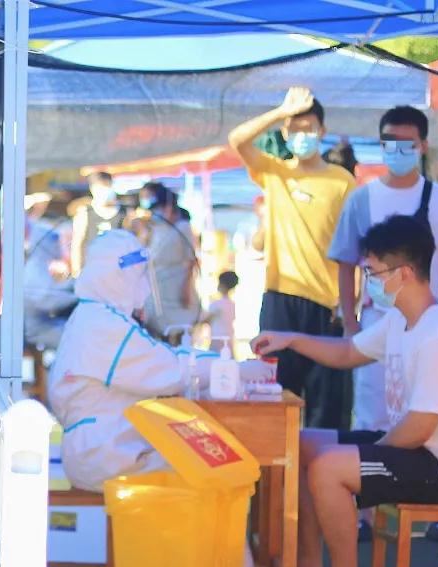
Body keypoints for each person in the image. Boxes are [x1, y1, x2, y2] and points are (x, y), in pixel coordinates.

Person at [250, 215, 438, 567]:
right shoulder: (400, 319)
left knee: (329, 466)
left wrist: (365, 456)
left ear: (404, 273)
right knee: (300, 445)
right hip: (416, 448)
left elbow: (421, 427)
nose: (368, 283)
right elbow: (348, 352)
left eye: (372, 273)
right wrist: (291, 339)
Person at [49, 230, 272, 492]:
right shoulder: (104, 324)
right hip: (108, 453)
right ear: (117, 278)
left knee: (211, 460)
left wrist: (227, 367)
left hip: (103, 445)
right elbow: (171, 371)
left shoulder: (94, 315)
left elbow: (162, 362)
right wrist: (234, 369)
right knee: (216, 467)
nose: (143, 285)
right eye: (137, 276)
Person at [329, 105, 438, 434]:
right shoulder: (361, 199)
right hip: (377, 321)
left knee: (425, 414)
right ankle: (369, 465)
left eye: (407, 143)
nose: (398, 150)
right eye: (390, 142)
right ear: (380, 144)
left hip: (427, 324)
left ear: (423, 146)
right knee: (372, 416)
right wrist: (350, 323)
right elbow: (346, 264)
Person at [229, 86, 357, 429]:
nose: (302, 136)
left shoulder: (342, 182)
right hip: (280, 303)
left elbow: (353, 247)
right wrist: (280, 111)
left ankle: (324, 466)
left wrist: (350, 305)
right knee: (273, 403)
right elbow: (237, 140)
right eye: (294, 129)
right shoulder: (274, 172)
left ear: (322, 131)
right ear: (284, 133)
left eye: (309, 129)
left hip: (326, 306)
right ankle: (274, 466)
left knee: (327, 412)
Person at [127, 182, 200, 340]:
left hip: (176, 287)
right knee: (155, 331)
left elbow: (191, 260)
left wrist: (186, 289)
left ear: (168, 208)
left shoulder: (183, 227)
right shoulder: (152, 228)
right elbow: (142, 255)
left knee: (178, 332)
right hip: (155, 288)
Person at [22, 193, 74, 350]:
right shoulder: (34, 267)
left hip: (42, 322)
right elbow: (47, 301)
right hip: (35, 329)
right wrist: (78, 293)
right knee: (78, 338)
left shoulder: (38, 263)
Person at [70, 172, 125, 278]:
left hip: (118, 271)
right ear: (92, 189)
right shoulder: (85, 213)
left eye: (107, 186)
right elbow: (77, 243)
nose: (104, 191)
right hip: (94, 270)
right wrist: (77, 272)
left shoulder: (124, 212)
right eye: (101, 188)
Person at [200, 271, 239, 351]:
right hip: (229, 339)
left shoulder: (216, 304)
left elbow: (205, 320)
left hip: (217, 339)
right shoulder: (232, 304)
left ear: (222, 285)